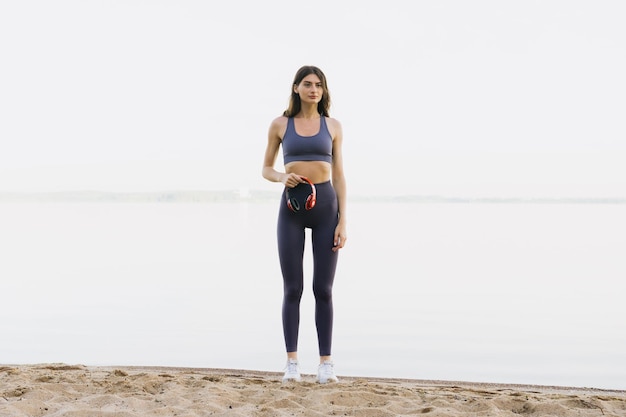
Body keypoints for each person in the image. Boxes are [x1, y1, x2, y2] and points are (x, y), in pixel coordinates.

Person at [262, 65, 347, 384]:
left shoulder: (334, 126)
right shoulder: (280, 125)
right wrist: (283, 177)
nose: (314, 89)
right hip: (291, 208)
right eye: (308, 84)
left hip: (326, 207)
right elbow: (266, 169)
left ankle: (326, 363)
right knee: (293, 289)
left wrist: (344, 221)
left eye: (319, 85)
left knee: (323, 289)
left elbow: (339, 175)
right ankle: (292, 363)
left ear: (323, 91)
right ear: (296, 88)